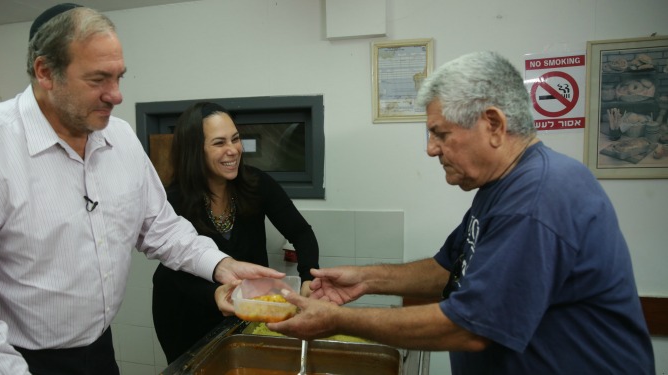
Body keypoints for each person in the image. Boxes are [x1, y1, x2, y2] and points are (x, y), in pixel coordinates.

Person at [0, 4, 283, 375]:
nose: (116, 95)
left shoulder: (120, 138)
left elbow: (160, 227)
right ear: (45, 72)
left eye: (118, 77)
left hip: (97, 352)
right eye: (98, 80)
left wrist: (222, 265)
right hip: (10, 360)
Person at [268, 51, 655, 374]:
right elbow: (449, 268)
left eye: (441, 134)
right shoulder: (501, 188)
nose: (431, 150)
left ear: (494, 125)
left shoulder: (538, 198)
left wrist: (336, 320)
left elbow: (469, 327)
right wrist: (366, 279)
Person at [152, 101, 320, 363]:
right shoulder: (174, 200)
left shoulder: (257, 184)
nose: (233, 150)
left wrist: (308, 277)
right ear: (195, 151)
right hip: (186, 313)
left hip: (248, 309)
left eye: (236, 139)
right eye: (219, 143)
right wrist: (213, 294)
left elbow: (301, 232)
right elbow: (170, 275)